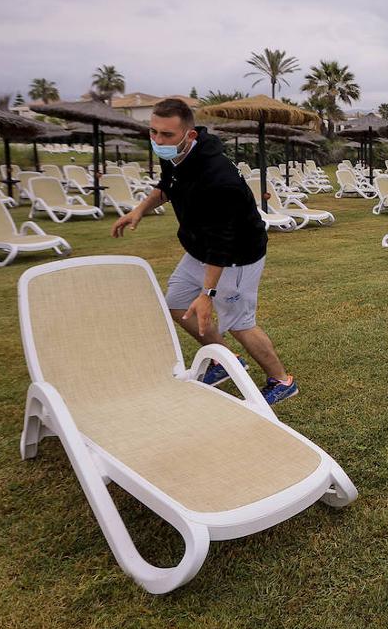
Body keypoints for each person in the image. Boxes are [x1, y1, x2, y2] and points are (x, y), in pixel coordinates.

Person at [111, 98, 299, 405]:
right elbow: (166, 186)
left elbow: (222, 243)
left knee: (239, 322)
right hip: (199, 248)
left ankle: (282, 380)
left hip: (237, 254)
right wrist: (139, 210)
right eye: (153, 132)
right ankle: (226, 361)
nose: (158, 141)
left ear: (190, 135)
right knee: (177, 305)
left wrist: (207, 293)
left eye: (167, 135)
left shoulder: (217, 177)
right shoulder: (176, 157)